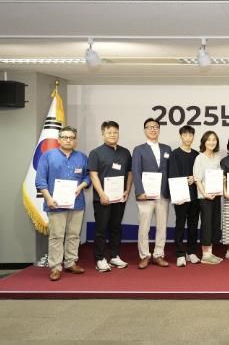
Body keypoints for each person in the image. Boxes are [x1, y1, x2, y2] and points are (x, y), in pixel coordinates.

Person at [35, 126, 91, 281]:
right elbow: (40, 180)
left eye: (71, 138)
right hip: (55, 203)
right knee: (56, 236)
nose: (68, 140)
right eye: (65, 137)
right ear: (59, 139)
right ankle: (55, 267)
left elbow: (88, 177)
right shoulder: (48, 156)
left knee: (74, 235)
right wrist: (48, 198)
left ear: (75, 141)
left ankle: (70, 262)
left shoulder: (82, 157)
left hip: (76, 203)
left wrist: (81, 186)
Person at [87, 121, 133, 272]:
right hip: (102, 199)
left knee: (116, 228)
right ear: (103, 134)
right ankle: (100, 259)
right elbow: (93, 175)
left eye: (115, 132)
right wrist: (102, 194)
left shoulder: (125, 152)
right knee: (101, 229)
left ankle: (114, 256)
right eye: (109, 132)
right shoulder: (96, 153)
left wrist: (127, 190)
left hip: (119, 198)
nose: (113, 135)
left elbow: (130, 173)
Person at [132, 118, 172, 269]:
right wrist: (140, 191)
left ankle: (158, 254)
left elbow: (170, 170)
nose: (153, 129)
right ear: (145, 130)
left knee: (162, 226)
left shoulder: (167, 148)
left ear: (159, 130)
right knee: (144, 227)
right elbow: (136, 171)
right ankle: (144, 255)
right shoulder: (139, 149)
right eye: (149, 127)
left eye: (155, 127)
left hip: (163, 193)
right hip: (146, 194)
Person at [168, 125, 200, 267]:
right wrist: (177, 194)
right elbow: (172, 175)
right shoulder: (175, 154)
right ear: (181, 136)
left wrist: (195, 178)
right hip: (180, 195)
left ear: (193, 137)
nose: (188, 138)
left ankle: (191, 251)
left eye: (190, 135)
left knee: (193, 224)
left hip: (195, 195)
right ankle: (180, 253)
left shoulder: (197, 154)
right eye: (185, 135)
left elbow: (200, 174)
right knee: (180, 224)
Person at [193, 130, 223, 265]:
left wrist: (222, 179)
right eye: (209, 139)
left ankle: (210, 252)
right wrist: (205, 193)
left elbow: (219, 176)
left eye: (214, 139)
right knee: (206, 224)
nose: (212, 142)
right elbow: (197, 179)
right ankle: (205, 255)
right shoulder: (199, 158)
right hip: (204, 197)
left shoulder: (217, 157)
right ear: (204, 142)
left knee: (215, 223)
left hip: (216, 195)